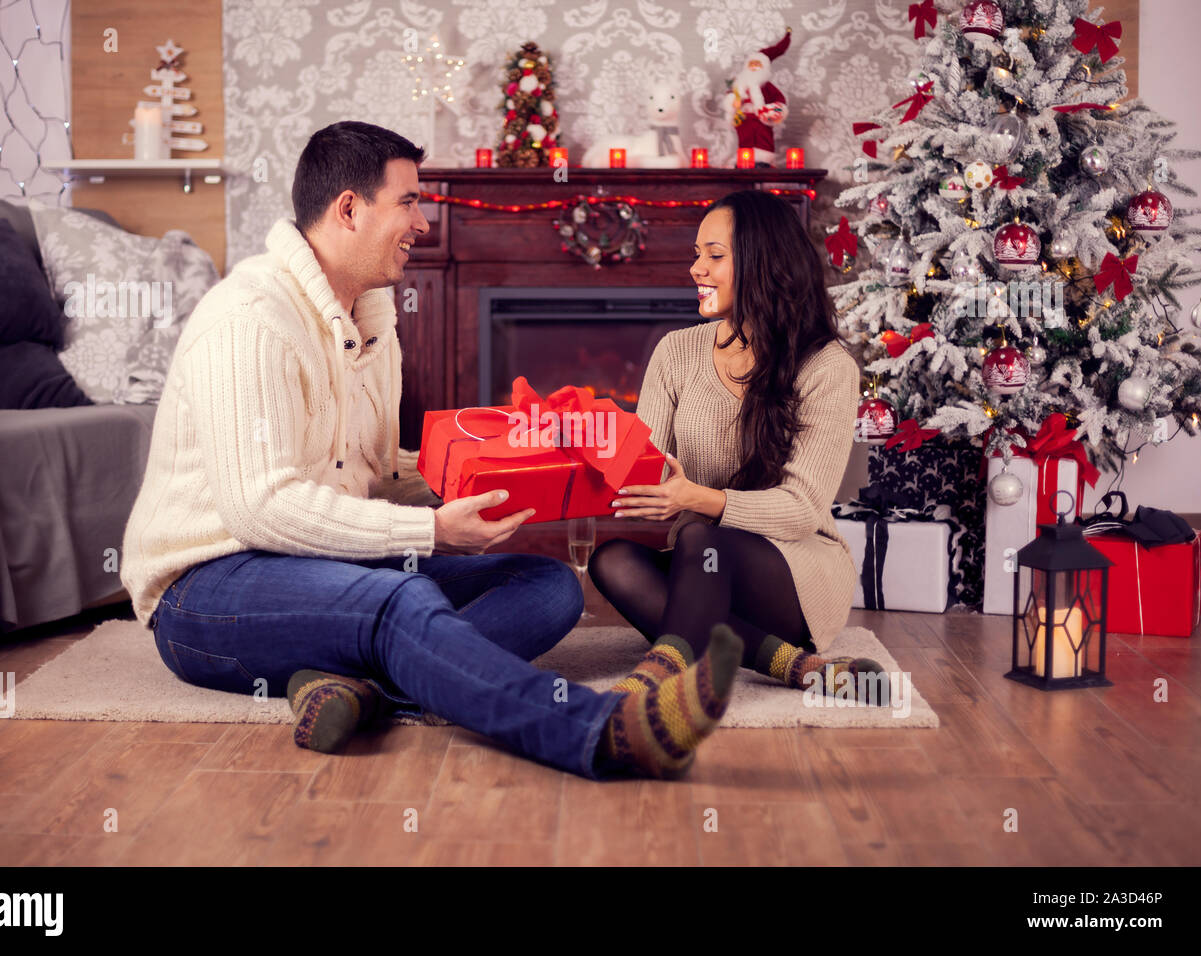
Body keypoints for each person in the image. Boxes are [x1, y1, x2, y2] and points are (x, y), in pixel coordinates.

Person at [120, 120, 743, 780]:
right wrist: (434, 531)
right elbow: (258, 507)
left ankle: (356, 688)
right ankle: (601, 734)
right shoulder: (250, 318)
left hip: (322, 559)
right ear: (350, 209)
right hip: (211, 587)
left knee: (547, 586)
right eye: (410, 202)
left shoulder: (368, 319)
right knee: (401, 604)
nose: (424, 222)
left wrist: (544, 470)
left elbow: (378, 471)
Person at [590, 189, 886, 701]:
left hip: (793, 569)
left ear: (763, 263)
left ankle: (662, 674)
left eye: (715, 256)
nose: (696, 269)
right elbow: (646, 466)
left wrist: (694, 500)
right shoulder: (677, 351)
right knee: (612, 561)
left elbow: (800, 511)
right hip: (698, 565)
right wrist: (576, 443)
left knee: (700, 539)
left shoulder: (827, 366)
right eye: (696, 255)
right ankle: (798, 668)